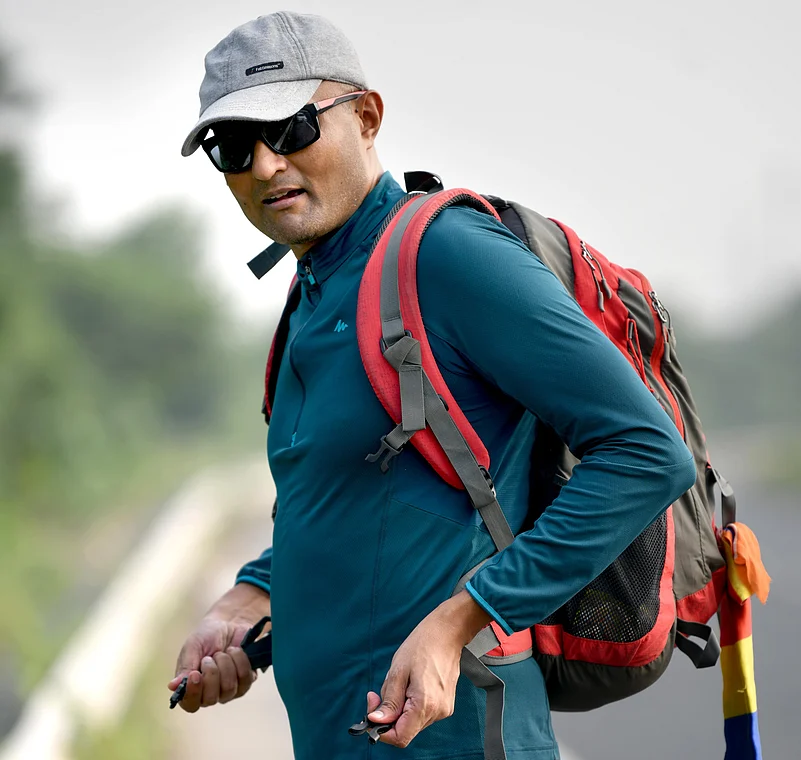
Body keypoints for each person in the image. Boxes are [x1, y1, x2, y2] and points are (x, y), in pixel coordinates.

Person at [171, 11, 696, 760]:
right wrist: (249, 597)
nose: (262, 166)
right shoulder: (313, 290)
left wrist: (464, 617)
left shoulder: (446, 255)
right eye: (233, 145)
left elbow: (647, 452)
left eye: (290, 129)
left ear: (366, 117)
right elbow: (351, 505)